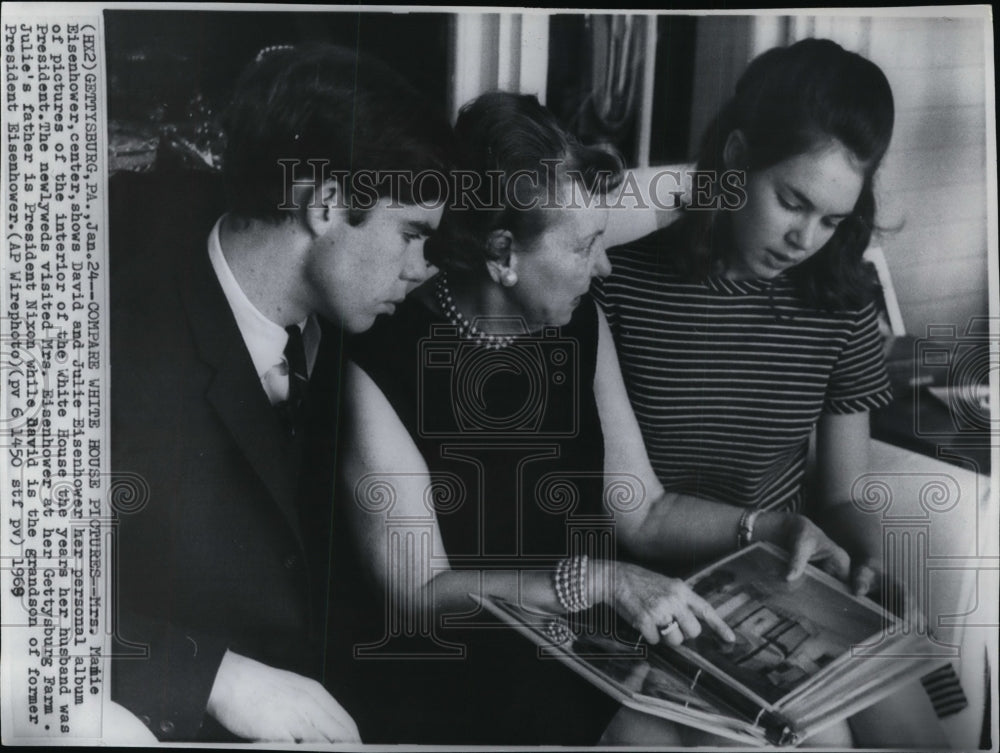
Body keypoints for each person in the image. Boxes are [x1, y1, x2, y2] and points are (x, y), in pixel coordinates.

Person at [329, 91, 850, 746]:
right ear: (501, 253)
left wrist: (770, 526)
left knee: (810, 728)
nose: (602, 266)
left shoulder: (577, 325)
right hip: (460, 656)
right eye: (584, 247)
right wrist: (594, 579)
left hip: (582, 632)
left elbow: (645, 510)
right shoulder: (382, 357)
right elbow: (418, 592)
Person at [596, 38, 947, 745]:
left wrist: (871, 562)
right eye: (793, 201)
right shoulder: (620, 287)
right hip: (661, 592)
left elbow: (843, 496)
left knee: (919, 731)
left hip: (789, 581)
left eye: (833, 219)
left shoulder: (841, 305)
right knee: (825, 741)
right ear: (733, 159)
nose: (805, 238)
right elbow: (631, 508)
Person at [109, 43, 452, 742]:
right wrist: (216, 677)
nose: (425, 271)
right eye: (412, 236)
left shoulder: (345, 319)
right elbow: (30, 607)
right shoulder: (116, 349)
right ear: (326, 205)